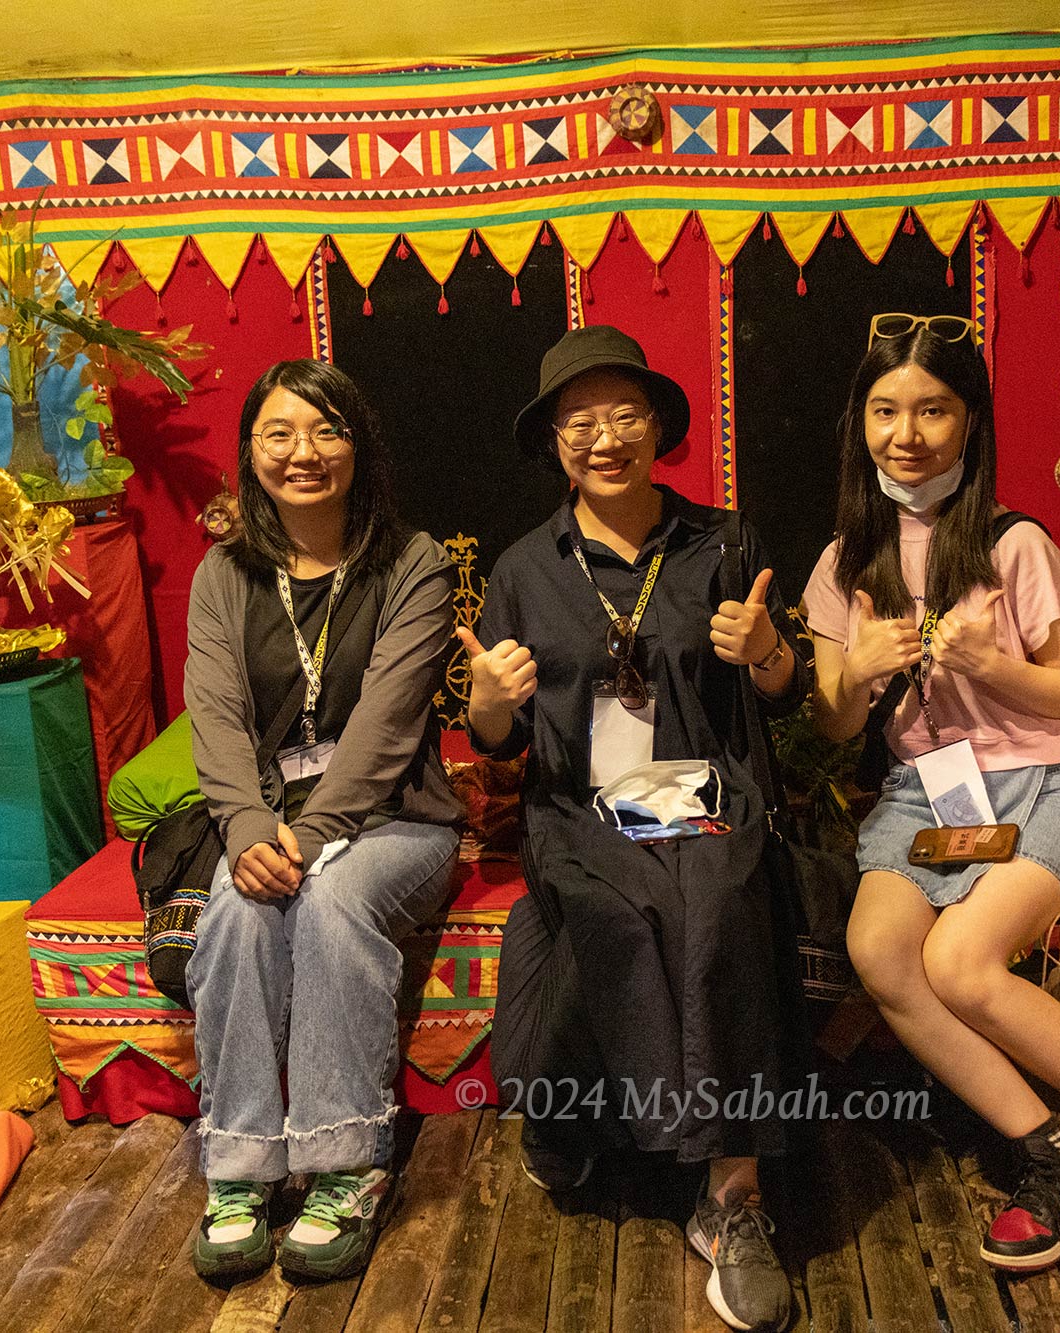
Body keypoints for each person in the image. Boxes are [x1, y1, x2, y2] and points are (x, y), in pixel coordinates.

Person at [803, 314, 1060, 1273]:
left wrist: (995, 665)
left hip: (1039, 785)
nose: (908, 432)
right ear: (861, 421)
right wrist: (854, 670)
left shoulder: (1016, 541)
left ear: (969, 421)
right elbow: (830, 725)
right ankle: (1049, 1153)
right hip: (918, 799)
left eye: (933, 410)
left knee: (963, 960)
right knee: (879, 951)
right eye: (887, 409)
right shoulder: (841, 560)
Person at [458, 326, 810, 1333]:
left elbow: (782, 700)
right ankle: (605, 1125)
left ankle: (732, 1194)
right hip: (580, 804)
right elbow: (501, 744)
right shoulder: (524, 569)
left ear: (659, 425)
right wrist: (486, 703)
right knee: (616, 904)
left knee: (721, 894)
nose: (602, 436)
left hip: (703, 790)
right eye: (578, 420)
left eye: (623, 413)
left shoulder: (723, 543)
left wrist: (769, 653)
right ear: (553, 442)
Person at [184, 359, 464, 1283]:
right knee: (233, 903)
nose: (303, 452)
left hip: (396, 821)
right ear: (251, 451)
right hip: (266, 821)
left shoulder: (414, 562)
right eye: (279, 433)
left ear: (360, 446)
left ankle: (345, 1164)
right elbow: (216, 719)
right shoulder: (222, 576)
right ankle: (239, 1167)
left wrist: (303, 839)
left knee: (335, 898)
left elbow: (389, 725)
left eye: (326, 430)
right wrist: (245, 828)